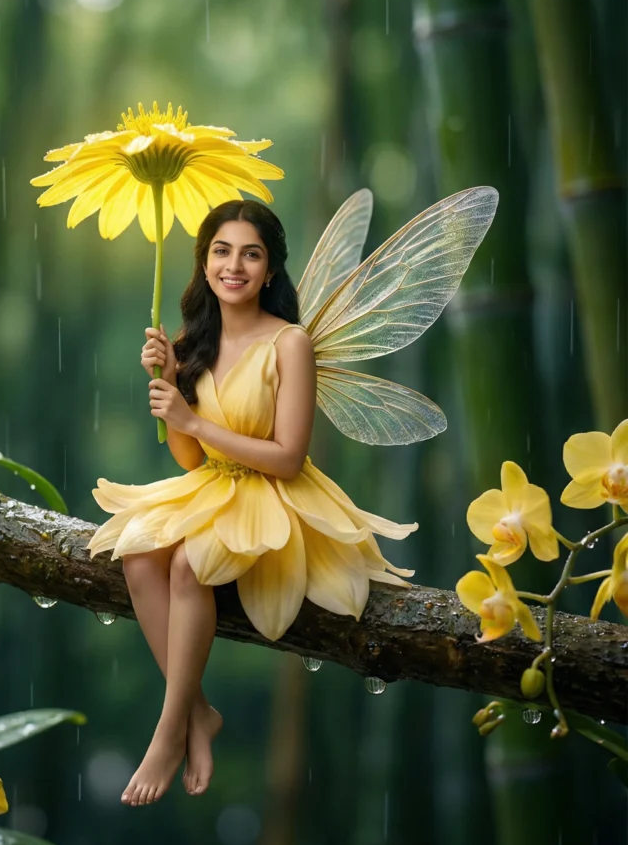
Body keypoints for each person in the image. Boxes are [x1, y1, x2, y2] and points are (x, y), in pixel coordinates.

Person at [88, 198, 419, 807]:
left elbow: (289, 456)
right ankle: (198, 715)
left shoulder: (290, 343)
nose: (233, 265)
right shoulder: (192, 343)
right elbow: (190, 460)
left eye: (251, 253)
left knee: (190, 565)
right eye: (221, 251)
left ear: (270, 271)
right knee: (137, 557)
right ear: (203, 263)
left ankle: (168, 732)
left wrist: (194, 419)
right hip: (213, 484)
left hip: (276, 493)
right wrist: (166, 386)